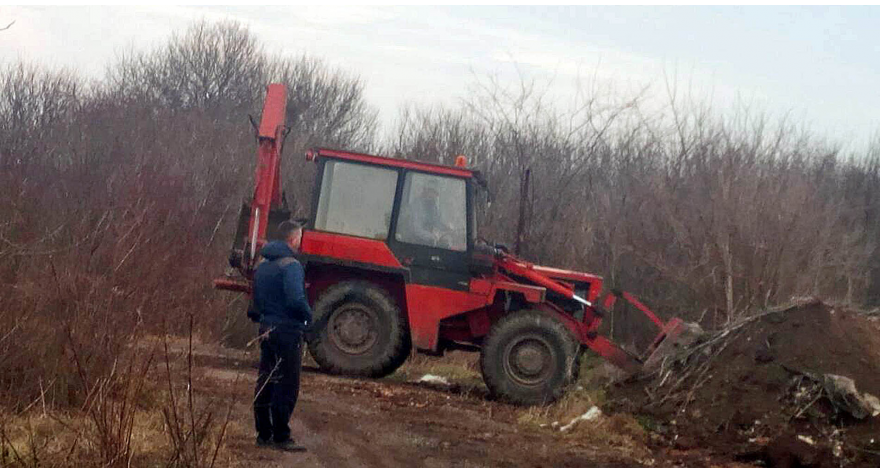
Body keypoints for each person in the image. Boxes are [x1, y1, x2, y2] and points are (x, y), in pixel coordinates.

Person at [251, 220, 312, 452]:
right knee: (287, 384)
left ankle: (263, 433)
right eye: (300, 238)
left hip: (266, 329)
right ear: (293, 239)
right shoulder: (292, 266)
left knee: (266, 380)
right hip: (287, 330)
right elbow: (296, 299)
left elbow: (255, 300)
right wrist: (308, 316)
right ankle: (281, 436)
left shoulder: (264, 264)